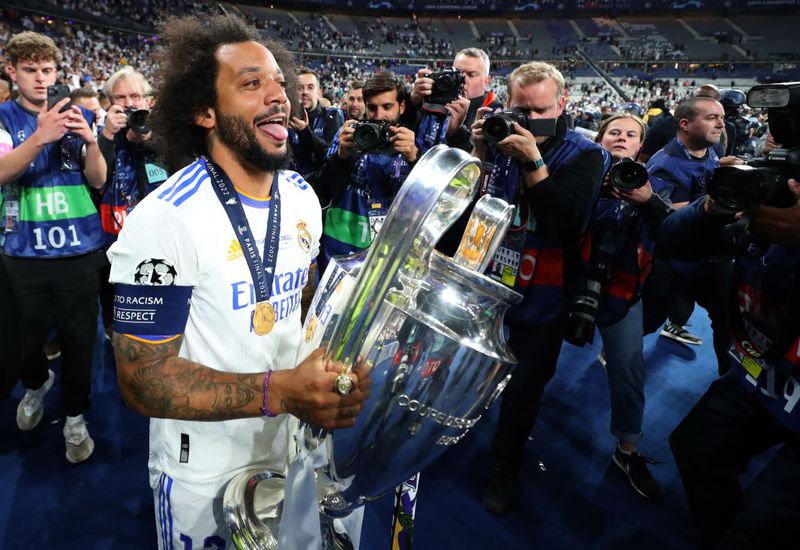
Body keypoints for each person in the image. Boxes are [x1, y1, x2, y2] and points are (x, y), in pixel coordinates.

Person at [106, 14, 370, 548]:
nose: (279, 97)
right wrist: (281, 391)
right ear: (204, 111)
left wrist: (333, 372)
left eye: (280, 82)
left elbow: (298, 304)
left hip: (291, 446)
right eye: (252, 84)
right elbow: (142, 378)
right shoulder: (165, 218)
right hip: (202, 468)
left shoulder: (300, 196)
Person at [471, 61, 608, 515]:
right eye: (519, 110)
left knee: (524, 390)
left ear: (563, 103)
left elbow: (561, 220)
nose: (528, 120)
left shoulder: (586, 154)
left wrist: (532, 159)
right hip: (488, 280)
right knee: (465, 369)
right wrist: (478, 154)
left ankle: (503, 467)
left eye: (541, 110)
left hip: (545, 292)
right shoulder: (496, 142)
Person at [663, 178, 800, 549]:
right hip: (766, 373)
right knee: (696, 447)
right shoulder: (777, 183)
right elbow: (673, 238)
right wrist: (713, 204)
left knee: (762, 523)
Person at [0, 31, 106, 463]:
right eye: (31, 70)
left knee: (80, 343)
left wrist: (93, 141)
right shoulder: (5, 118)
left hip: (78, 252)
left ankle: (76, 417)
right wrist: (41, 136)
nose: (42, 79)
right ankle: (36, 382)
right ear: (12, 71)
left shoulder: (78, 114)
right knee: (24, 342)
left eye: (48, 71)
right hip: (22, 252)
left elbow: (97, 179)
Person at [589, 113, 675, 499]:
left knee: (628, 368)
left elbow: (674, 233)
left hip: (622, 289)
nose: (622, 138)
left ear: (642, 146)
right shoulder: (576, 172)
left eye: (631, 135)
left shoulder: (651, 184)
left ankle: (628, 449)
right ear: (600, 138)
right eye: (614, 132)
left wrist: (650, 202)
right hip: (564, 282)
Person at [643, 95, 733, 373]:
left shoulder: (712, 148)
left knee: (725, 318)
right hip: (674, 261)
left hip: (706, 258)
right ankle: (616, 349)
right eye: (711, 118)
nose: (721, 123)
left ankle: (727, 378)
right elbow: (678, 222)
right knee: (651, 317)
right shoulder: (665, 166)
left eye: (721, 117)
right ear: (685, 124)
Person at [317, 71, 418, 272]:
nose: (379, 115)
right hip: (338, 255)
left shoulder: (411, 143)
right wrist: (341, 156)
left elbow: (422, 205)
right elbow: (323, 193)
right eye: (372, 108)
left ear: (402, 107)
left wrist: (416, 158)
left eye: (387, 107)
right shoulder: (349, 136)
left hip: (385, 258)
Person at [97, 67, 168, 338]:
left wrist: (147, 141)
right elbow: (95, 179)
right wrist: (108, 136)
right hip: (111, 234)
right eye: (121, 97)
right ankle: (111, 328)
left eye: (135, 96)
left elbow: (175, 167)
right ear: (110, 103)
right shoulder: (103, 134)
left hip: (155, 234)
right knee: (112, 287)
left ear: (147, 101)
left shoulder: (162, 134)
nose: (129, 104)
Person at [410, 47, 503, 154]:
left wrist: (457, 132)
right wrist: (413, 101)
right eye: (458, 73)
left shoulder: (493, 113)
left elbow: (484, 162)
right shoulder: (436, 97)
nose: (463, 80)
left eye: (471, 75)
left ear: (486, 81)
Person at [288, 68, 344, 185]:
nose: (305, 92)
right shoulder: (288, 118)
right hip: (291, 185)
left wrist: (305, 133)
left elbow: (331, 155)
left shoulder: (331, 116)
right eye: (300, 88)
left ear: (319, 93)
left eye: (310, 87)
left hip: (320, 187)